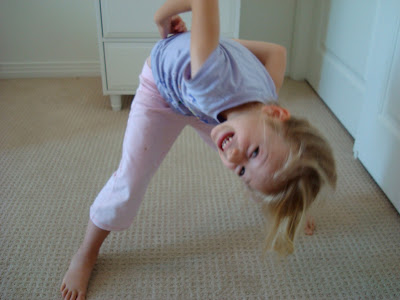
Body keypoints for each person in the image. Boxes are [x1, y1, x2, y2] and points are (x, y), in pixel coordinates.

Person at [60, 0, 337, 299]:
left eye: (242, 170)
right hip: (163, 94)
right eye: (255, 152)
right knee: (130, 179)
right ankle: (87, 252)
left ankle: (280, 191)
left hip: (212, 108)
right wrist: (162, 20)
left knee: (265, 176)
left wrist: (214, 44)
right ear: (275, 114)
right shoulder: (210, 78)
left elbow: (277, 52)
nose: (232, 158)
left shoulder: (266, 91)